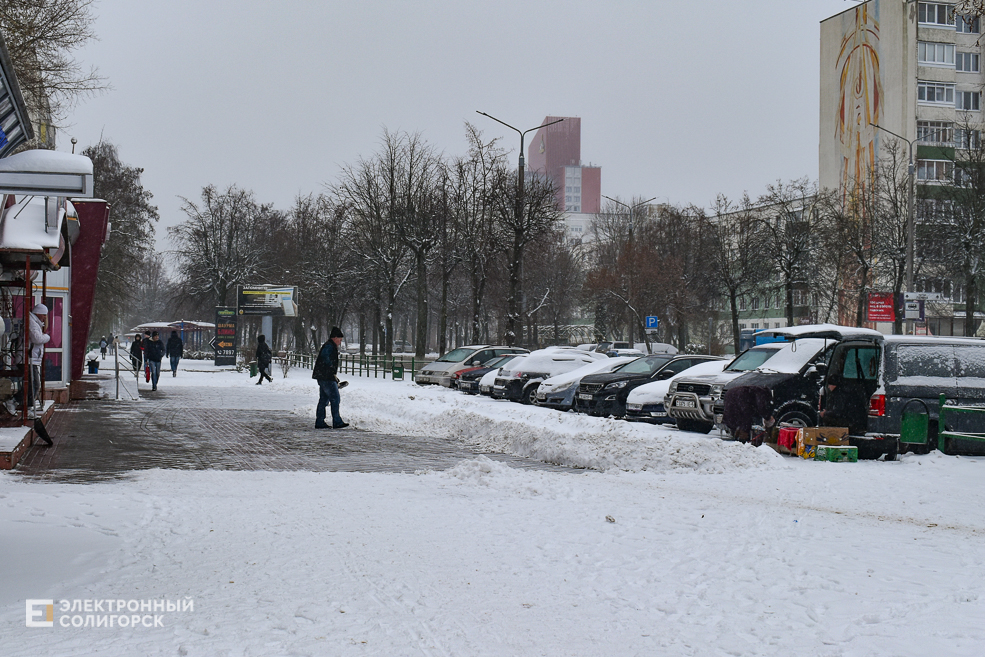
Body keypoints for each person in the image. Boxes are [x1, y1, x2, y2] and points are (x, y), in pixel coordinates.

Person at [312, 326, 348, 429]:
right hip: (327, 376)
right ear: (335, 337)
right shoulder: (329, 346)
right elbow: (324, 357)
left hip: (323, 376)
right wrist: (331, 367)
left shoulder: (329, 345)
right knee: (335, 398)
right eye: (340, 340)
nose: (340, 342)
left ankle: (319, 421)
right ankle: (337, 421)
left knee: (323, 399)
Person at [25, 303, 51, 417]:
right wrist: (47, 337)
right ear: (38, 313)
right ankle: (21, 404)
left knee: (32, 384)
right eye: (44, 315)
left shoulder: (34, 322)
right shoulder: (33, 323)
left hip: (32, 358)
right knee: (34, 384)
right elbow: (37, 339)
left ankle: (25, 405)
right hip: (29, 358)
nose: (45, 317)